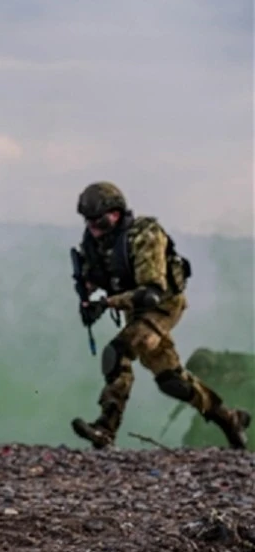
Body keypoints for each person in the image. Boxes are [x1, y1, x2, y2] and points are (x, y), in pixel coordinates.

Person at [69, 182, 249, 450]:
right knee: (171, 381)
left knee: (117, 353)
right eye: (89, 221)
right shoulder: (96, 241)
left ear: (116, 214)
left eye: (100, 221)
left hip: (163, 306)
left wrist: (107, 303)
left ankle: (106, 428)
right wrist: (88, 296)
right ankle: (229, 418)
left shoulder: (145, 235)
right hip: (135, 310)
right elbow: (94, 277)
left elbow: (151, 292)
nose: (94, 228)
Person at [170, 349, 253, 448]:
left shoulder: (233, 368)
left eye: (199, 371)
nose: (198, 376)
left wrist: (241, 378)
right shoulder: (210, 377)